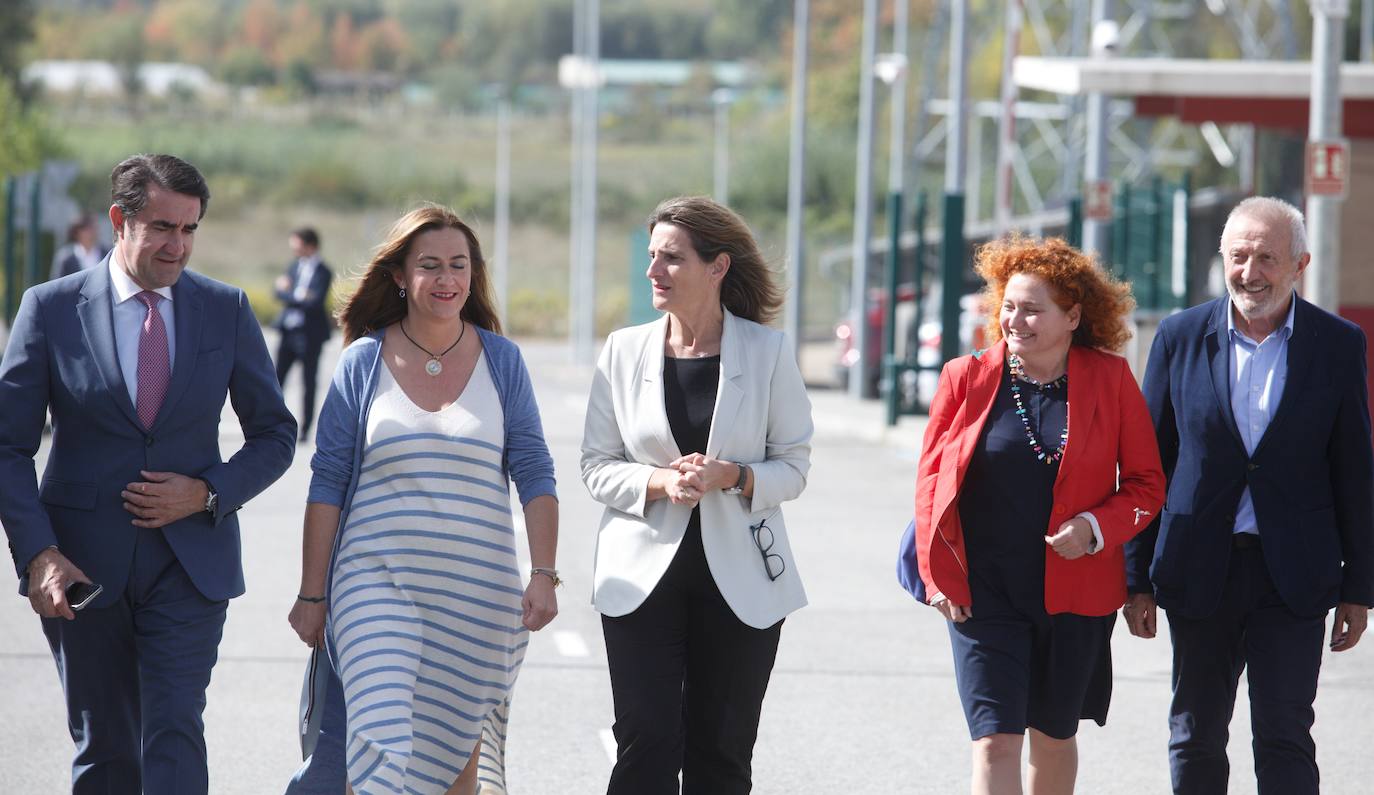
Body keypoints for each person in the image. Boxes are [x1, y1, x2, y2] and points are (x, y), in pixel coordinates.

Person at [0, 153, 297, 794]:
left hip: (191, 567)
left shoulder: (226, 308)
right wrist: (39, 555)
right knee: (105, 746)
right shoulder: (49, 309)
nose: (178, 244)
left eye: (190, 229)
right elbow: (7, 447)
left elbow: (276, 434)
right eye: (163, 227)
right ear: (119, 220)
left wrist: (209, 491)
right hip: (81, 568)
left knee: (174, 729)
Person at [285, 204, 559, 795]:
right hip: (373, 581)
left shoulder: (502, 360)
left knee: (455, 759)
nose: (446, 279)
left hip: (475, 595)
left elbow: (535, 470)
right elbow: (327, 480)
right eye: (430, 265)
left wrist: (543, 573)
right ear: (399, 277)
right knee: (378, 744)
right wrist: (313, 593)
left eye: (458, 265)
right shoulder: (362, 360)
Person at [1123, 196, 1373, 794]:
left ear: (1299, 264)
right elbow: (1147, 464)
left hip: (1294, 574)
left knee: (1285, 733)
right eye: (1239, 256)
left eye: (1267, 257)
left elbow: (1354, 470)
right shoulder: (1180, 338)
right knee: (1196, 733)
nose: (1250, 272)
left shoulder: (1337, 344)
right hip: (1197, 565)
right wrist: (1134, 576)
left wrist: (1360, 589)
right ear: (1222, 258)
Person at [912, 236, 1165, 795]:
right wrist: (936, 576)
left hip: (1077, 593)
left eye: (1032, 308)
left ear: (1074, 315)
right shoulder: (965, 377)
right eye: (1008, 305)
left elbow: (1148, 485)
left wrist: (1096, 527)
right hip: (984, 590)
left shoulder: (1111, 379)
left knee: (1052, 734)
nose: (1014, 319)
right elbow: (931, 482)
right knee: (995, 740)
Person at [581, 196, 814, 794]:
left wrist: (730, 475)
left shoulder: (768, 353)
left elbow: (793, 467)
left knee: (722, 755)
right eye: (652, 257)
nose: (653, 271)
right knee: (647, 745)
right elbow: (596, 466)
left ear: (718, 267)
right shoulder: (622, 350)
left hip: (741, 583)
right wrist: (661, 481)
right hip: (639, 579)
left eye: (672, 259)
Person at [273, 227, 334, 442]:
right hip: (288, 331)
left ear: (310, 245)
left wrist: (290, 293)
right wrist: (298, 295)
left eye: (297, 244)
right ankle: (271, 425)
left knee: (309, 382)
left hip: (310, 335)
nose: (294, 249)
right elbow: (277, 292)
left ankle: (306, 429)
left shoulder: (323, 271)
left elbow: (314, 302)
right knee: (275, 380)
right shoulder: (294, 266)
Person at [49, 214, 108, 281]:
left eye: (94, 228)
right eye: (87, 229)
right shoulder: (65, 258)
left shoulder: (107, 254)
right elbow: (57, 284)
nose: (92, 232)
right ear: (77, 233)